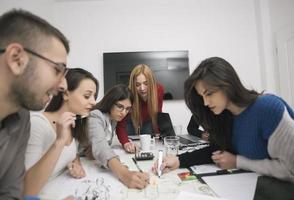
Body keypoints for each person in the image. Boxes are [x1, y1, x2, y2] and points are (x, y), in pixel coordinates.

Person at [154, 57, 294, 183]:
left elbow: (290, 169)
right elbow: (216, 149)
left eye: (209, 94)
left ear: (227, 84)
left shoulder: (268, 108)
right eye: (202, 96)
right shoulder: (226, 115)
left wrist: (238, 162)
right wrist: (179, 160)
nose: (205, 102)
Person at [0, 9, 69, 199]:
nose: (63, 85)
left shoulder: (21, 118)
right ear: (16, 59)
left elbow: (11, 194)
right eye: (57, 69)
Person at [24, 68, 98, 196]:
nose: (93, 102)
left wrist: (76, 163)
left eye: (94, 97)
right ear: (65, 94)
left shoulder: (72, 123)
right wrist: (59, 142)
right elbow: (25, 190)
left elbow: (71, 153)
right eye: (87, 96)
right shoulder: (37, 124)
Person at [85, 84, 149, 189]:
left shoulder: (114, 119)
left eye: (127, 109)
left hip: (95, 161)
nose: (124, 112)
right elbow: (101, 146)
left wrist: (117, 163)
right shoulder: (95, 115)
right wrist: (123, 173)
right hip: (82, 163)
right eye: (120, 106)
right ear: (110, 102)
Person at [116, 64, 164, 153]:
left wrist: (159, 136)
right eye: (137, 85)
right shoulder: (129, 95)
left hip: (148, 119)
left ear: (152, 82)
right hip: (130, 119)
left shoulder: (159, 90)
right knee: (130, 146)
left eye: (146, 83)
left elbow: (158, 114)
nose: (142, 89)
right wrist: (126, 143)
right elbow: (121, 125)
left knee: (147, 146)